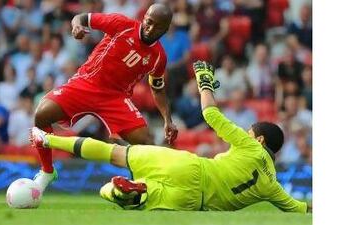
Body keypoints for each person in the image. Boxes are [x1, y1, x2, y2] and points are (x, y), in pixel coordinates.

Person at [29, 61, 310, 213]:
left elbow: (211, 115)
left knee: (116, 154)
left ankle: (47, 139)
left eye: (251, 132)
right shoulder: (272, 187)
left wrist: (204, 84)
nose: (248, 134)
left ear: (259, 140)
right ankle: (132, 193)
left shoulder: (250, 146)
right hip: (192, 202)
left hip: (189, 167)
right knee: (119, 193)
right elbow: (300, 208)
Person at [32, 4, 178, 188]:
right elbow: (82, 17)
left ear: (166, 29)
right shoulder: (121, 24)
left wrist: (167, 119)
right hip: (86, 83)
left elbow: (157, 89)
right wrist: (76, 26)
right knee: (41, 115)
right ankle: (47, 171)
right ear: (144, 17)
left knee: (145, 141)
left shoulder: (159, 57)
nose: (151, 28)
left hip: (115, 98)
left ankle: (144, 185)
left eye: (158, 27)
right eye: (149, 22)